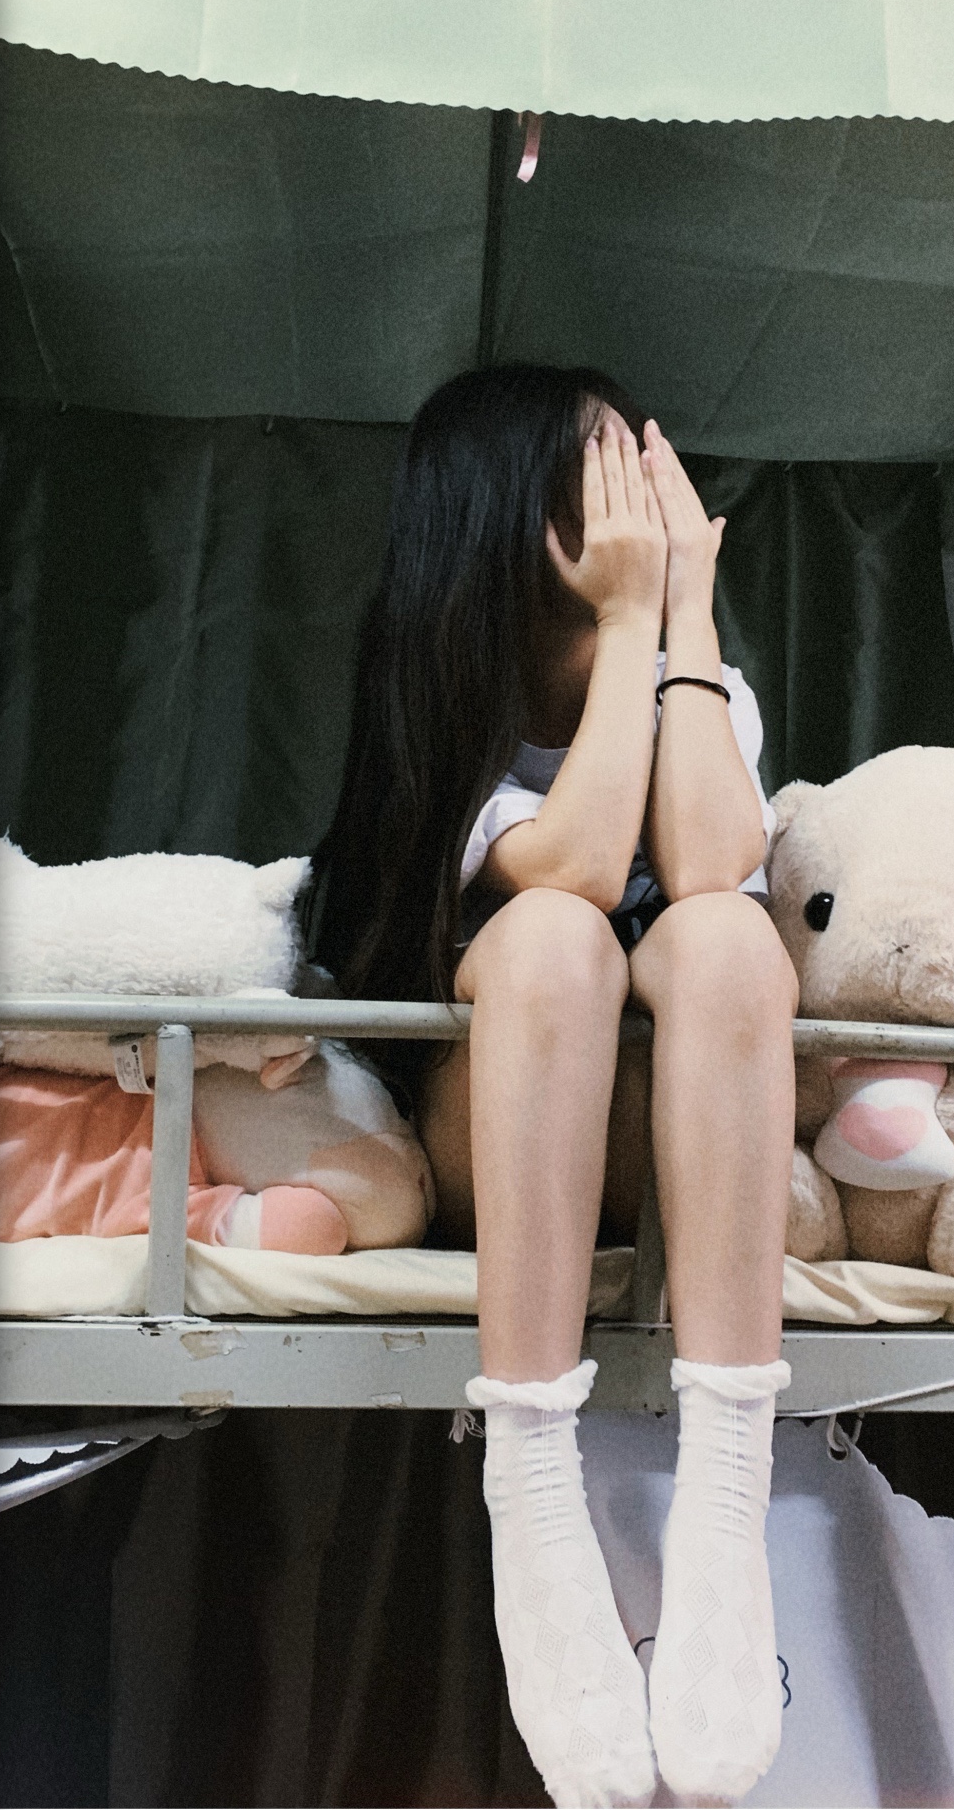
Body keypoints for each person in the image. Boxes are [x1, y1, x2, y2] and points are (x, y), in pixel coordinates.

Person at [305, 365, 797, 1808]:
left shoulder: (703, 688)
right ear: (520, 526)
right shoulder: (448, 717)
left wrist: (684, 621)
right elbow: (575, 868)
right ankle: (530, 1482)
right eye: (606, 476)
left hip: (665, 1150)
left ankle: (728, 1496)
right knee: (551, 939)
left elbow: (711, 864)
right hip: (504, 1149)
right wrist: (633, 619)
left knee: (723, 938)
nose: (644, 497)